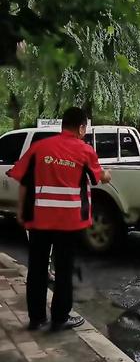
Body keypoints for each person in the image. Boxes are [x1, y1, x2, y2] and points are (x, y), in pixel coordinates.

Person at [7, 108, 111, 331]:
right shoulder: (85, 150)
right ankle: (60, 318)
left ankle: (37, 319)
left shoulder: (39, 147)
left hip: (39, 220)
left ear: (63, 124)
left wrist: (20, 212)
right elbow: (101, 178)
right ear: (82, 128)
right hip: (69, 221)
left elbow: (24, 181)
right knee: (64, 269)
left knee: (37, 268)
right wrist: (107, 173)